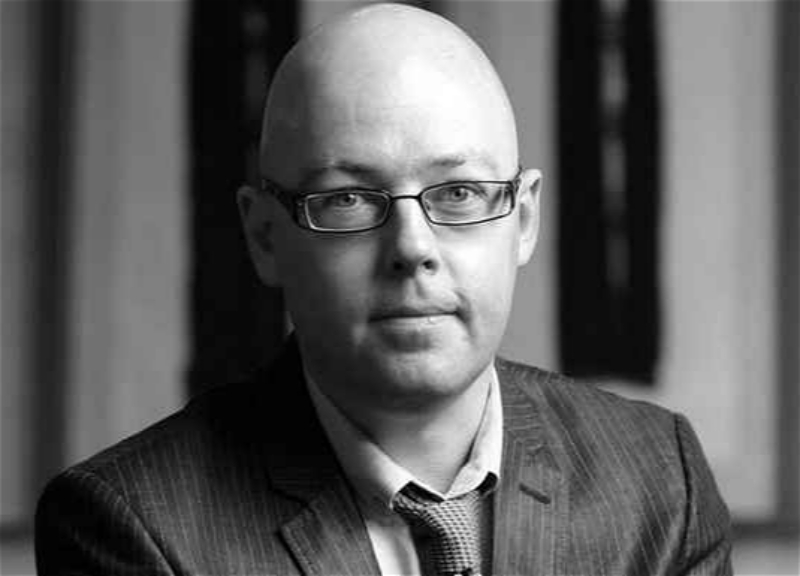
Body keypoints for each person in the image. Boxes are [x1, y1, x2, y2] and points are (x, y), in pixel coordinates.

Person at [35, 4, 732, 575]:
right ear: (265, 236)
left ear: (523, 220)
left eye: (458, 193)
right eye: (348, 200)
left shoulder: (658, 481)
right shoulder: (132, 525)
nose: (412, 249)